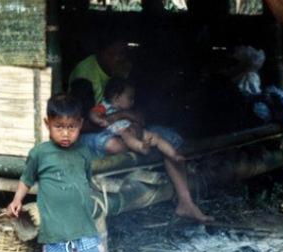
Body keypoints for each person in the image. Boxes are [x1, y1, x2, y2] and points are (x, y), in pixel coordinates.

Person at [7, 94, 117, 252]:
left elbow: (86, 179)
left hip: (84, 225)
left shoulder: (84, 152)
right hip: (57, 230)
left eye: (72, 127)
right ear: (48, 124)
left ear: (80, 124)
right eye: (59, 127)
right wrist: (17, 200)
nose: (66, 134)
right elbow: (26, 179)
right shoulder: (40, 153)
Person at [70, 41, 213, 223]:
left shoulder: (122, 73)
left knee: (170, 139)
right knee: (119, 145)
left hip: (123, 125)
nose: (123, 59)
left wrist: (124, 117)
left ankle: (186, 203)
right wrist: (117, 125)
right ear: (104, 52)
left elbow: (139, 116)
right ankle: (136, 160)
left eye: (125, 53)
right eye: (119, 54)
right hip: (99, 131)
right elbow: (82, 123)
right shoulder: (84, 76)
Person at [89, 78, 185, 163]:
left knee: (156, 137)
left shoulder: (128, 110)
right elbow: (93, 113)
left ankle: (174, 155)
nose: (133, 101)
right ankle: (141, 148)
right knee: (128, 137)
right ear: (117, 98)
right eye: (130, 98)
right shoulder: (104, 106)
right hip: (122, 132)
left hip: (134, 129)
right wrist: (99, 120)